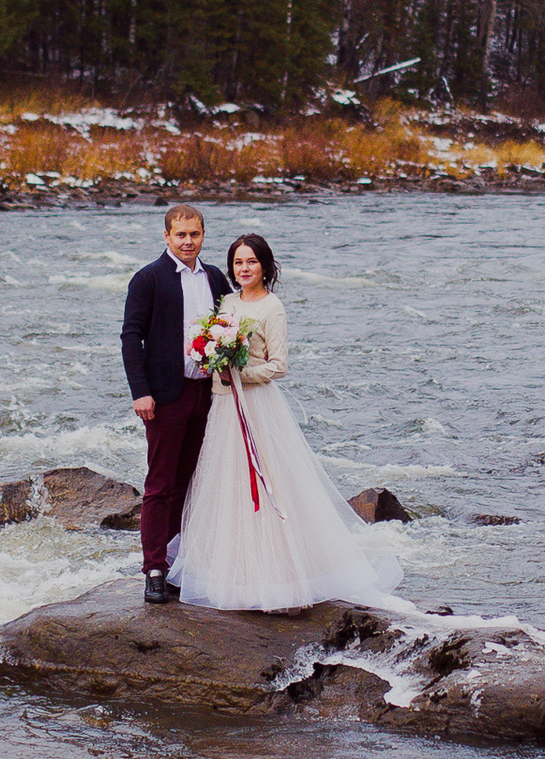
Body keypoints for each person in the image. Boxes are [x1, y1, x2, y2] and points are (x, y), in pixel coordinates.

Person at [170, 231, 403, 611]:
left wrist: (239, 373)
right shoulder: (226, 302)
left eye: (251, 262)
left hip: (257, 405)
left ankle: (280, 578)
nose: (244, 268)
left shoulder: (272, 307)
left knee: (269, 486)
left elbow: (278, 366)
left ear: (264, 266)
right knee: (226, 487)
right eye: (238, 262)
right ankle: (233, 576)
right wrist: (211, 360)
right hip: (223, 406)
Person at [121, 201, 229, 605]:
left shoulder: (215, 278)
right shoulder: (149, 278)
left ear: (203, 235)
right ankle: (153, 569)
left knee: (191, 483)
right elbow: (131, 337)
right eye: (180, 234)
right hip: (165, 396)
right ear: (166, 236)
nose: (188, 241)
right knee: (160, 484)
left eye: (194, 234)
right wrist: (140, 391)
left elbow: (230, 327)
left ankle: (178, 563)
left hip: (207, 394)